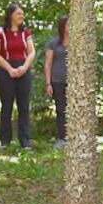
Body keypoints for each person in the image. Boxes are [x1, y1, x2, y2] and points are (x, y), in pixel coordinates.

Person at [0, 3, 37, 149]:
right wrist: (10, 69)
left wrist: (24, 67)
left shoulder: (26, 32)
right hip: (6, 70)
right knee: (7, 106)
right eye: (19, 13)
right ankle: (5, 141)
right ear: (11, 15)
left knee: (24, 106)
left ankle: (25, 140)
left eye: (22, 14)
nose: (22, 16)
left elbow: (32, 52)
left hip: (23, 69)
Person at [45, 16, 70, 149]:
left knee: (74, 109)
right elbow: (48, 64)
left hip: (73, 82)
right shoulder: (54, 43)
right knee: (61, 110)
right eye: (68, 24)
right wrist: (48, 83)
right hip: (57, 81)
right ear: (62, 27)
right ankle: (62, 138)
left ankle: (74, 137)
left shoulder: (77, 43)